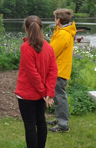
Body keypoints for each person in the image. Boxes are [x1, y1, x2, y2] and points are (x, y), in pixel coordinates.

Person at [15, 16, 58, 148]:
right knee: (41, 122)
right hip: (41, 95)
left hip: (27, 94)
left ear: (26, 29)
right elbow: (54, 70)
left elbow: (32, 74)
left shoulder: (26, 47)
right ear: (41, 28)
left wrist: (45, 92)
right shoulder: (48, 47)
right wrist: (48, 92)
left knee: (30, 126)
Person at [47, 8, 76, 133]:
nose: (54, 20)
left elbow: (51, 52)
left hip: (59, 70)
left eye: (55, 18)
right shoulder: (62, 31)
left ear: (58, 20)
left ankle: (63, 125)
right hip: (60, 69)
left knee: (59, 97)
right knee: (58, 97)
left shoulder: (63, 34)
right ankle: (60, 119)